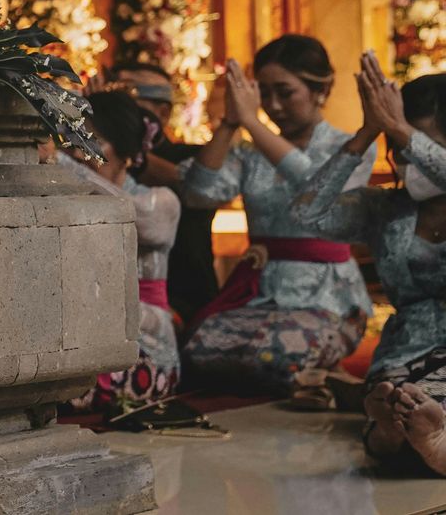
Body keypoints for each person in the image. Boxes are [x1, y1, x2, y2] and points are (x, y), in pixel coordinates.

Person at [180, 35, 375, 396]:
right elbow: (198, 195)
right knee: (198, 349)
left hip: (329, 298)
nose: (273, 105)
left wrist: (254, 124)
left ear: (321, 89)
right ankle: (313, 378)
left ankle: (319, 372)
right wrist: (229, 123)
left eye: (285, 92)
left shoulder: (352, 146)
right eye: (264, 93)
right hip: (261, 291)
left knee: (276, 356)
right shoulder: (249, 154)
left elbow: (314, 185)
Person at [290, 53, 446, 475]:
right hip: (407, 349)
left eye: (421, 143)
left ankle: (418, 441)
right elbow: (307, 213)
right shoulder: (384, 209)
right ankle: (394, 431)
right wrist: (366, 133)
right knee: (402, 398)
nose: (407, 158)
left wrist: (400, 127)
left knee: (429, 402)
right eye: (400, 149)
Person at [59, 91, 180, 412]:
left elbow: (129, 212)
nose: (78, 153)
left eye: (91, 140)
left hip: (146, 341)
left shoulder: (160, 201)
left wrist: (59, 162)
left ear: (127, 153)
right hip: (85, 336)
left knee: (69, 386)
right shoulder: (67, 203)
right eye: (71, 140)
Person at [113, 61, 220, 324]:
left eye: (128, 102)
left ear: (162, 113)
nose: (120, 113)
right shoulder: (103, 156)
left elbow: (196, 186)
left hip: (184, 300)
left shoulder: (193, 159)